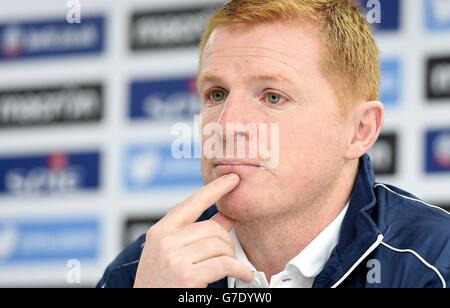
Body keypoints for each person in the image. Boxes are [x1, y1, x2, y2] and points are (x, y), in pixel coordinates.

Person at [98, 0, 450, 288]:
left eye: (273, 97)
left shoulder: (436, 264)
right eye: (216, 93)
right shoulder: (140, 271)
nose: (227, 125)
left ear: (360, 130)